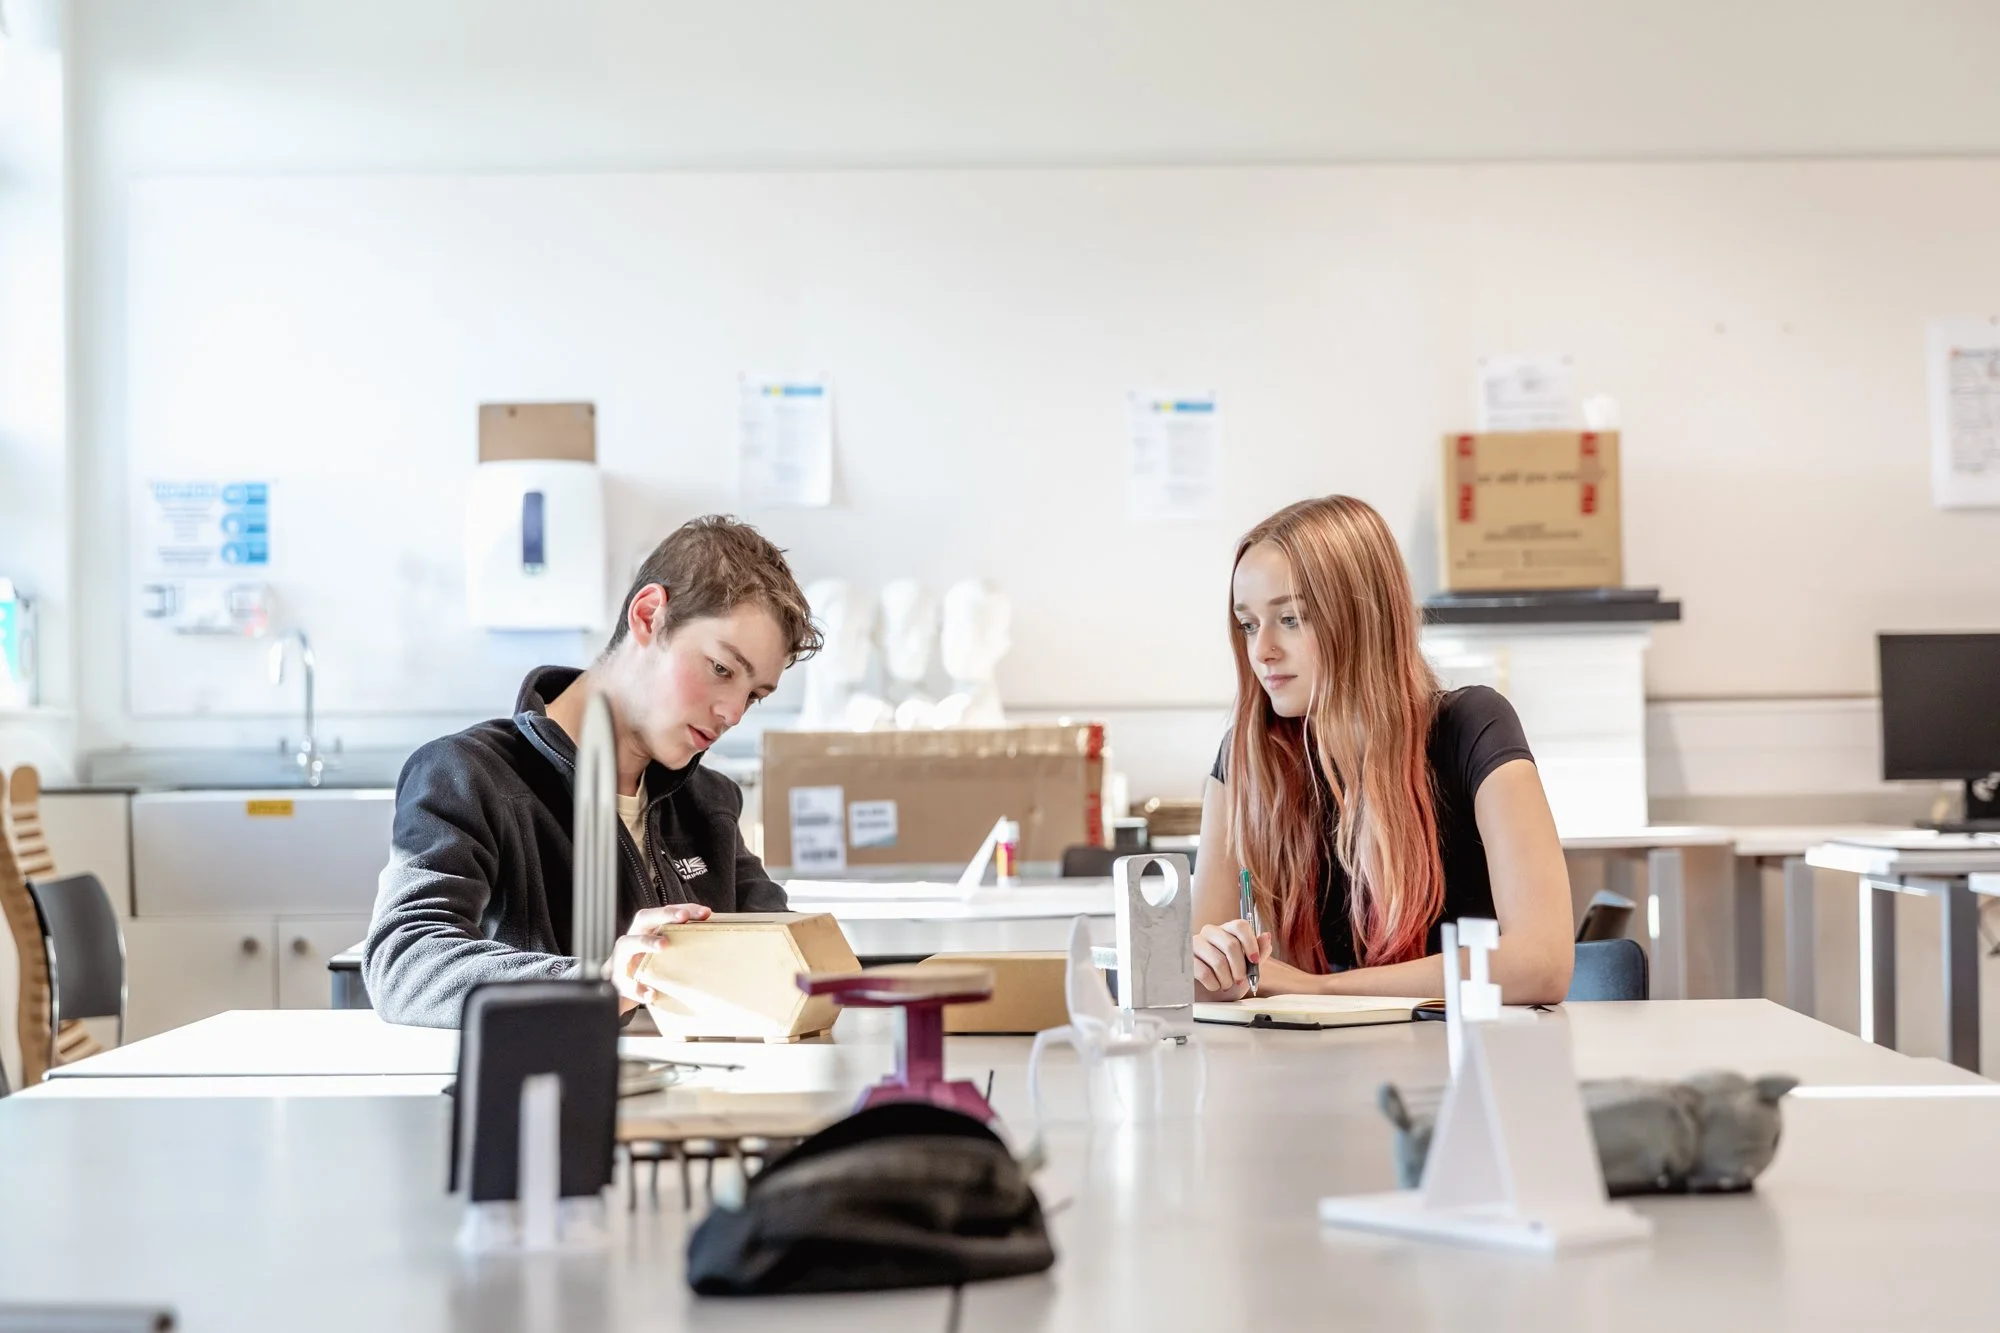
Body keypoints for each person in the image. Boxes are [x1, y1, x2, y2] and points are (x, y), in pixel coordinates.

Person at [364, 515, 822, 1026]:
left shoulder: (709, 802)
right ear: (649, 616)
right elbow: (403, 961)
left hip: (695, 1100)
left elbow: (783, 953)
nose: (732, 713)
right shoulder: (468, 777)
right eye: (721, 669)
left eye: (753, 695)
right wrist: (599, 983)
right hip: (549, 1099)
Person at [1190, 495, 1573, 1004]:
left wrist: (1318, 989)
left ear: (1361, 618)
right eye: (1248, 624)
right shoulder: (1249, 756)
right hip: (1306, 1069)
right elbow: (1193, 978)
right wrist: (1216, 966)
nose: (1261, 651)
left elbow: (1541, 963)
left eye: (1291, 619)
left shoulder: (1472, 726)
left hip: (1454, 1067)